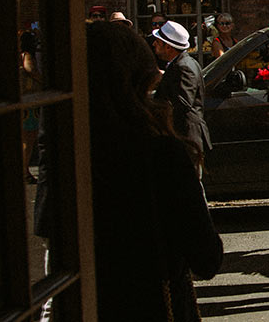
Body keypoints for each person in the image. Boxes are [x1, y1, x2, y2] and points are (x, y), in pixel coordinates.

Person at [86, 21, 222, 321]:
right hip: (154, 303)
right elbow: (206, 256)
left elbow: (186, 107)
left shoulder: (76, 150)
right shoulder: (157, 152)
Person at [151, 21, 212, 174]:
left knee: (190, 185)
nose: (153, 44)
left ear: (168, 47)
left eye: (158, 42)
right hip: (181, 138)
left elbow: (182, 104)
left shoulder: (184, 67)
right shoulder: (180, 64)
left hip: (185, 138)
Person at [20, 28, 42, 183]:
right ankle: (24, 171)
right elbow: (31, 70)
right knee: (28, 138)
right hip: (29, 102)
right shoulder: (27, 56)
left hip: (25, 101)